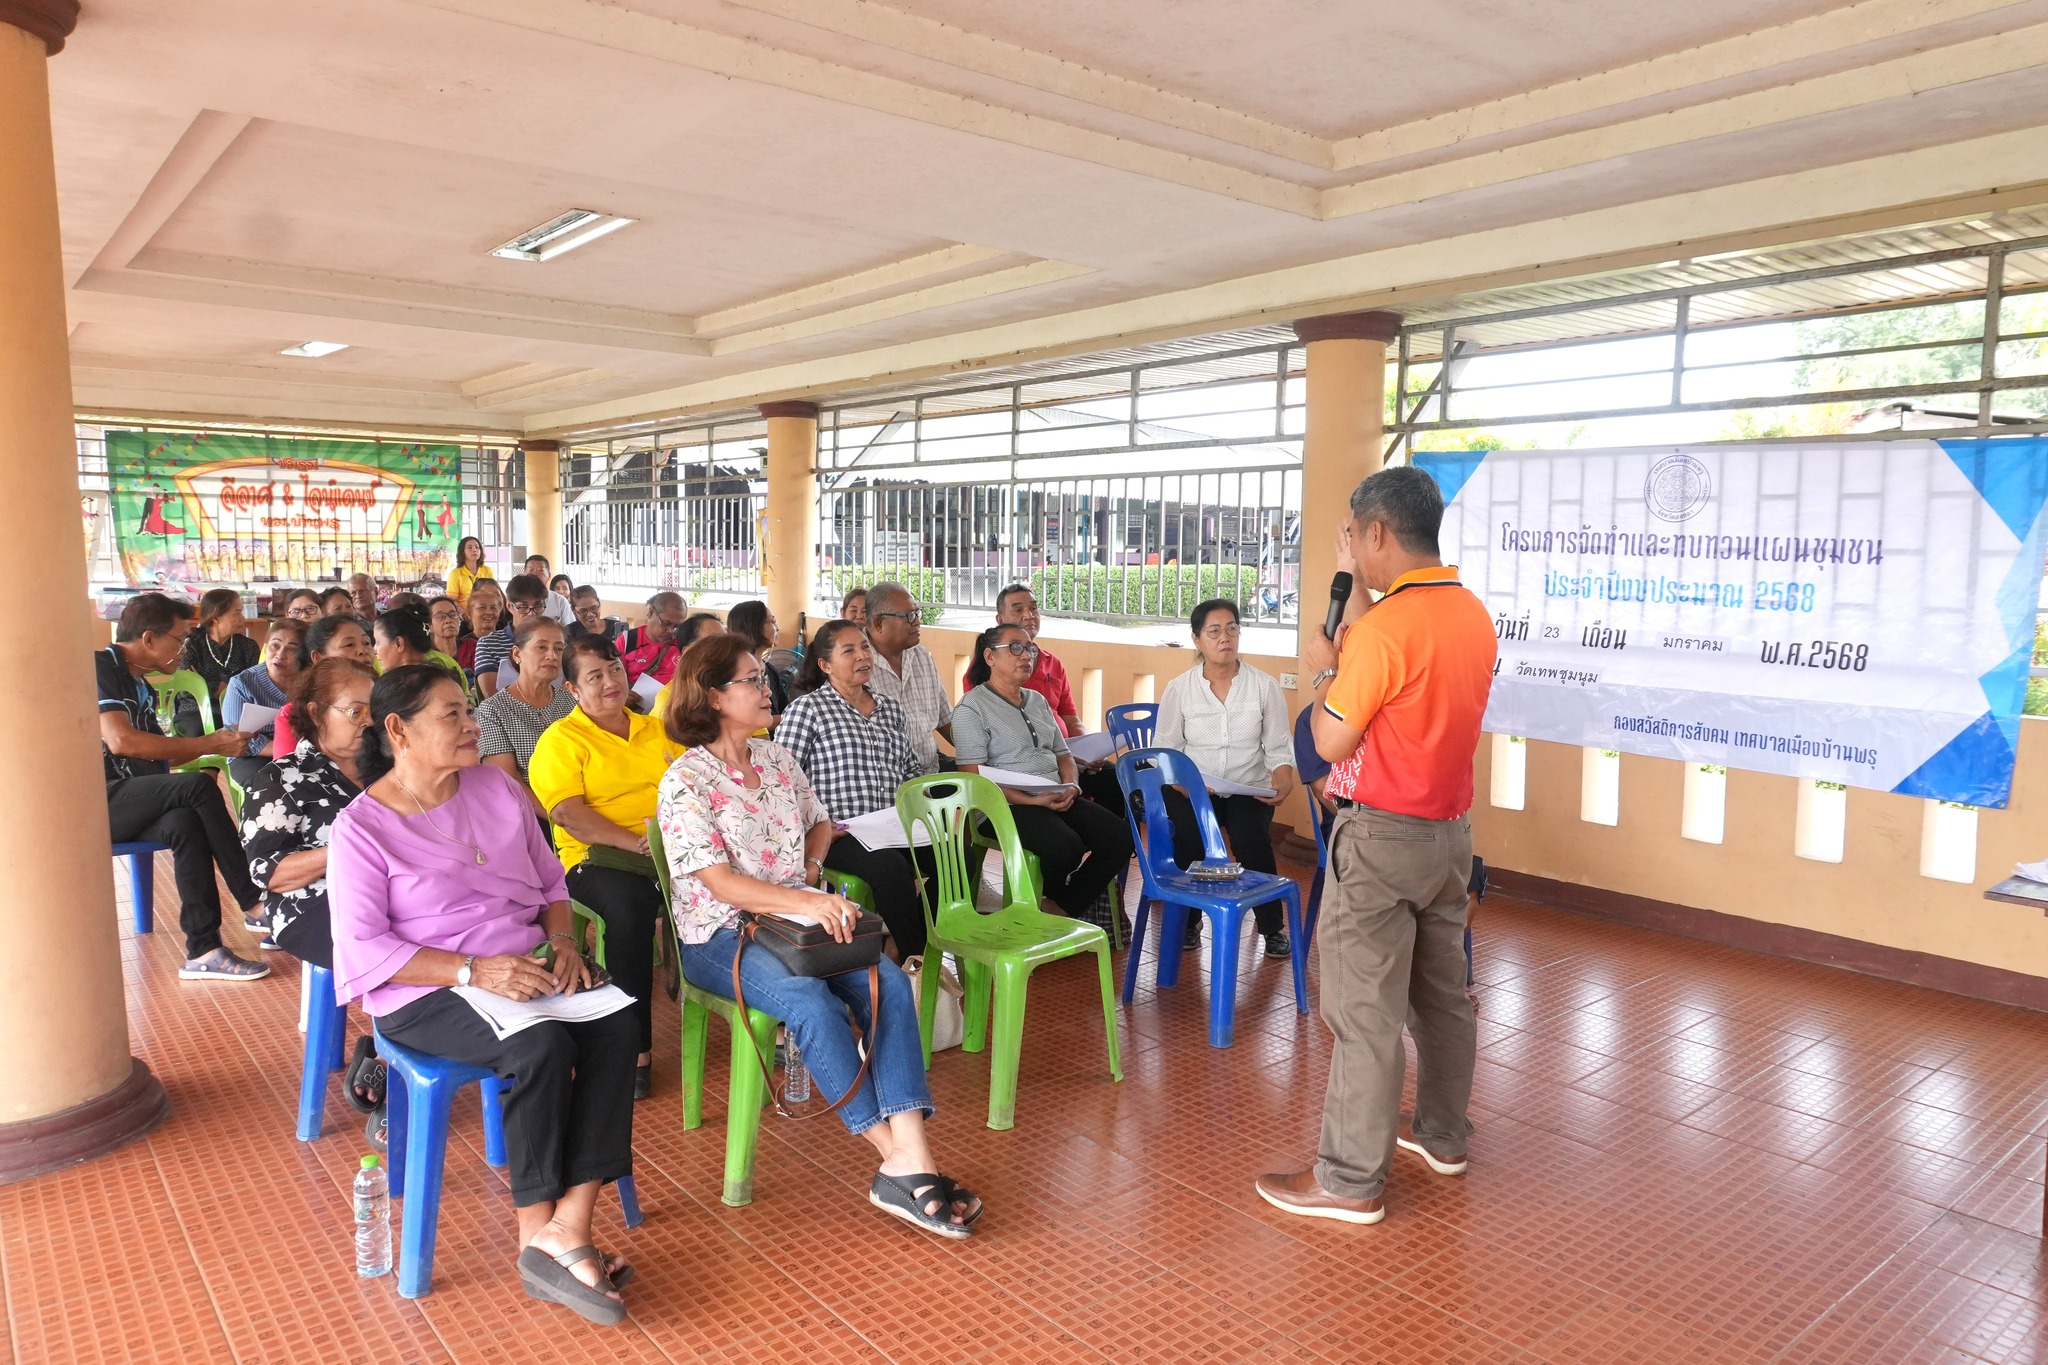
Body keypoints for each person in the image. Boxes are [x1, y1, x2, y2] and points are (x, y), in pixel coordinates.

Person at [328, 666, 639, 1323]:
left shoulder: (496, 787)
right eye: (453, 715)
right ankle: (535, 1235)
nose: (473, 725)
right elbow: (364, 948)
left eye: (470, 711)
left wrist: (564, 941)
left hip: (521, 967)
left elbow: (552, 884)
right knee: (542, 1046)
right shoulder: (362, 828)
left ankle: (569, 1225)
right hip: (425, 986)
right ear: (398, 730)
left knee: (616, 1027)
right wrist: (473, 969)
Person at [656, 633, 981, 1239]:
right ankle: (896, 1157)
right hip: (720, 936)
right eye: (751, 680)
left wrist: (808, 871)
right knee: (811, 1003)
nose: (767, 689)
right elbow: (720, 883)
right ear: (713, 696)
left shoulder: (777, 759)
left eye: (763, 678)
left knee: (886, 981)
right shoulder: (685, 781)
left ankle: (911, 1154)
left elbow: (821, 822)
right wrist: (806, 897)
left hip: (796, 925)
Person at [1256, 466, 1496, 1228]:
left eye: (1356, 537)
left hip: (1380, 840)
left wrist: (1326, 668)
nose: (1352, 549)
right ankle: (1443, 1135)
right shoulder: (1470, 614)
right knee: (1441, 994)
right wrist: (1357, 589)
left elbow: (1329, 739)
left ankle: (1349, 1178)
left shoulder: (1385, 633)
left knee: (1363, 1010)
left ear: (1380, 532)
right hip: (1448, 837)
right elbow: (1393, 651)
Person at [528, 634, 680, 1098]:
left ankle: (768, 1021)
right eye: (594, 676)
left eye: (615, 669)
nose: (611, 681)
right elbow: (568, 814)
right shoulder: (561, 740)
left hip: (671, 850)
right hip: (595, 859)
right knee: (630, 911)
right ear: (573, 689)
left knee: (737, 886)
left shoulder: (656, 729)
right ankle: (634, 1049)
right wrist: (638, 844)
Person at [240, 658, 384, 1128]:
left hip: (394, 895)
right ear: (317, 712)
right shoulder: (281, 779)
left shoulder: (390, 769)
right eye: (355, 711)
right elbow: (269, 873)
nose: (368, 722)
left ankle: (396, 1051)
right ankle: (393, 1064)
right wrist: (345, 847)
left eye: (374, 711)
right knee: (391, 944)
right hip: (311, 904)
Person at [98, 593, 268, 981]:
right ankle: (253, 900)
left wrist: (218, 743)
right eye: (179, 639)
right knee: (197, 787)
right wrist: (208, 744)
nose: (183, 648)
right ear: (149, 638)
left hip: (130, 796)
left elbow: (158, 754)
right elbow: (121, 742)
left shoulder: (140, 682)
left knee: (184, 823)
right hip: (96, 801)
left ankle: (203, 949)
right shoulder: (101, 667)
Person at [952, 624, 1132, 919]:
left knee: (1119, 836)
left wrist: (1071, 786)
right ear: (990, 657)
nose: (1026, 655)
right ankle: (1055, 904)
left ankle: (1060, 908)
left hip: (1054, 792)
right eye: (1015, 648)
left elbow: (1063, 754)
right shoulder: (972, 708)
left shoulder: (1037, 700)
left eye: (1030, 648)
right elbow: (972, 776)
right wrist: (1032, 800)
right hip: (1004, 804)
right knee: (1065, 847)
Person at [1154, 598, 1298, 960]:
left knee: (1252, 840)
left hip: (1246, 787)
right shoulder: (1179, 688)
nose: (1225, 637)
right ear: (1197, 639)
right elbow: (1166, 750)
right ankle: (1188, 923)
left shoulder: (1264, 686)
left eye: (1232, 628)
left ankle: (1272, 928)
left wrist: (1284, 779)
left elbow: (1278, 747)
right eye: (1214, 631)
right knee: (1189, 837)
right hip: (1190, 788)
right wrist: (1183, 785)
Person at [775, 621, 928, 958]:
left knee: (959, 855)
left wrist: (924, 801)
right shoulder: (808, 710)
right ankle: (915, 957)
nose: (862, 656)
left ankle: (912, 935)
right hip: (841, 831)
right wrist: (817, 826)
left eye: (865, 647)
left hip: (895, 826)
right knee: (890, 869)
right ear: (825, 665)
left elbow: (911, 770)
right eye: (849, 651)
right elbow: (782, 780)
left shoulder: (890, 709)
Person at [477, 618, 574, 812]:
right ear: (517, 654)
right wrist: (559, 817)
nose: (552, 655)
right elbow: (508, 780)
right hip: (532, 813)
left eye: (558, 649)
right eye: (541, 647)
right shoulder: (493, 710)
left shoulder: (572, 701)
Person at [864, 581, 952, 775]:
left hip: (931, 770)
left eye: (917, 613)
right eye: (909, 616)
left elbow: (945, 720)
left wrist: (979, 751)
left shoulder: (922, 656)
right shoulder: (857, 663)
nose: (917, 622)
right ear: (879, 623)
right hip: (885, 779)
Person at [271, 614, 375, 757]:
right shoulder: (292, 715)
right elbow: (286, 769)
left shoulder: (387, 697)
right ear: (318, 657)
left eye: (367, 643)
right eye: (349, 645)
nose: (362, 650)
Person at [222, 616, 308, 788]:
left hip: (304, 749)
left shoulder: (312, 681)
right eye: (274, 646)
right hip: (252, 755)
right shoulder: (243, 683)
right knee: (272, 785)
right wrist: (286, 748)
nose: (280, 655)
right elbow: (235, 736)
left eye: (292, 649)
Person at [181, 588, 259, 725]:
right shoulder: (192, 644)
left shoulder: (248, 646)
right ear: (216, 617)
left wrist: (203, 684)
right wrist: (227, 689)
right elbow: (186, 689)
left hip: (237, 711)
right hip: (197, 711)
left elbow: (254, 688)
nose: (243, 618)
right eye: (237, 613)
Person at [475, 574, 549, 698]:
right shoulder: (488, 644)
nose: (531, 614)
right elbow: (491, 694)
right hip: (505, 709)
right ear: (509, 606)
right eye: (523, 607)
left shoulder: (553, 642)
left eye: (538, 606)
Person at [722, 601, 789, 718]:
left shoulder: (770, 670)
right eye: (772, 622)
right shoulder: (733, 672)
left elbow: (784, 709)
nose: (777, 628)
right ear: (753, 626)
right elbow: (744, 718)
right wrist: (791, 719)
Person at [372, 602, 442, 675]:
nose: (374, 649)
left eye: (377, 642)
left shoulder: (394, 681)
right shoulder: (441, 676)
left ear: (399, 643)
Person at [457, 579, 507, 676]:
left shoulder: (508, 642)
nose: (489, 612)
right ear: (469, 613)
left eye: (493, 608)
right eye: (482, 607)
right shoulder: (460, 646)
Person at [619, 591, 685, 655]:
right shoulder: (627, 641)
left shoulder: (683, 645)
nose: (671, 632)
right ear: (651, 612)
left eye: (676, 627)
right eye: (666, 623)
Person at [525, 554, 576, 626]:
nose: (535, 574)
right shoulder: (517, 600)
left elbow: (569, 629)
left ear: (549, 575)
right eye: (531, 570)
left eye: (540, 570)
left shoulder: (560, 602)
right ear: (524, 574)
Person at [446, 535, 493, 608]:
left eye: (477, 547)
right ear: (462, 551)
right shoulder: (455, 574)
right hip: (464, 612)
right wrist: (463, 612)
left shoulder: (487, 571)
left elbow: (493, 594)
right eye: (469, 547)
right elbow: (452, 600)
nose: (474, 550)